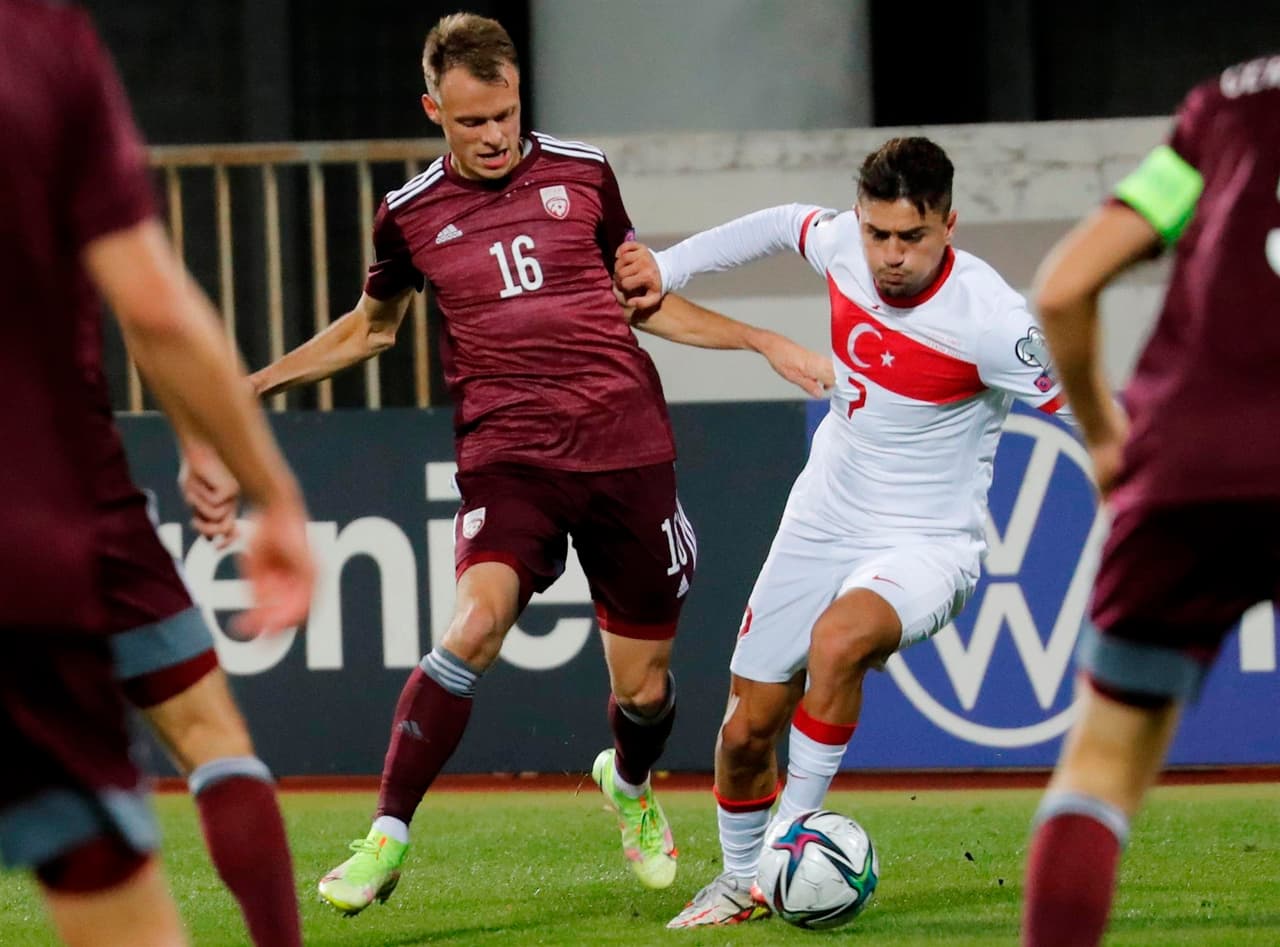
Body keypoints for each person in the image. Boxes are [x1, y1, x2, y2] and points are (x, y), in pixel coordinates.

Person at [231, 11, 829, 917]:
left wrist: (759, 339)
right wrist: (258, 382)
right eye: (472, 120)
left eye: (505, 112)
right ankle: (385, 834)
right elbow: (373, 327)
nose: (494, 134)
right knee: (473, 625)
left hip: (627, 451)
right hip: (509, 459)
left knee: (647, 688)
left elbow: (642, 298)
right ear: (433, 107)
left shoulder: (584, 175)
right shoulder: (409, 214)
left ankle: (628, 781)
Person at [614, 136, 1075, 928]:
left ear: (950, 225)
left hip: (929, 541)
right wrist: (671, 266)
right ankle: (738, 882)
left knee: (837, 641)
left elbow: (1093, 410)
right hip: (823, 515)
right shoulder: (842, 246)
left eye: (912, 237)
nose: (890, 256)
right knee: (746, 728)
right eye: (877, 234)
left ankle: (787, 847)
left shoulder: (993, 322)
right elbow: (778, 224)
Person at [0, 3, 316, 947]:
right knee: (208, 740)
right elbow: (153, 306)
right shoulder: (43, 43)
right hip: (53, 511)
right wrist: (271, 489)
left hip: (55, 511)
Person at [1021, 55, 1280, 947]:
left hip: (1188, 471)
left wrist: (1101, 433)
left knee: (1098, 766)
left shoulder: (1228, 108)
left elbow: (1062, 286)